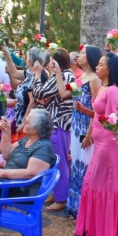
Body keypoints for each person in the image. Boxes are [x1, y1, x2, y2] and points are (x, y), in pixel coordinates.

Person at [74, 53, 118, 236]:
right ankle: (94, 226)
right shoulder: (104, 88)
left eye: (101, 65)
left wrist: (117, 135)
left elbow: (115, 120)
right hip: (100, 144)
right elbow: (100, 115)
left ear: (110, 69)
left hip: (109, 146)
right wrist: (84, 110)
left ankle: (106, 232)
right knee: (93, 183)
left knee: (104, 186)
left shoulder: (113, 91)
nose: (97, 67)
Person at [32, 48, 75, 212]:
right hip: (57, 124)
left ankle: (62, 197)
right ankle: (57, 194)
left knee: (60, 162)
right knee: (55, 161)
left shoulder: (63, 75)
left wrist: (37, 74)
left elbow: (38, 93)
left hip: (59, 124)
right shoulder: (65, 75)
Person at [67, 45, 102, 218]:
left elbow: (97, 111)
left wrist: (89, 135)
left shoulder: (94, 80)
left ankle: (84, 211)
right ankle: (74, 207)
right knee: (75, 164)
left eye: (82, 54)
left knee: (84, 166)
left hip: (86, 127)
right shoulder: (81, 77)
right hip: (76, 125)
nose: (79, 56)